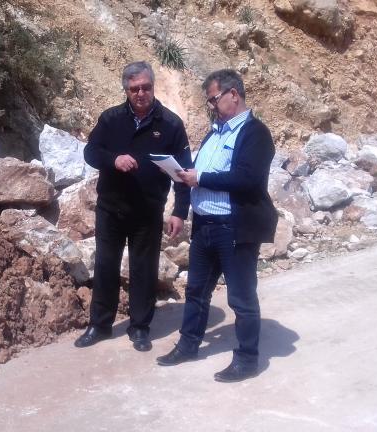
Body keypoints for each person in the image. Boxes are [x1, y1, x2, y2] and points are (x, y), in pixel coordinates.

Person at [155, 69, 278, 382]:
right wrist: (184, 180)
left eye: (213, 99)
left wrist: (201, 178)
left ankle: (248, 359)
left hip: (234, 228)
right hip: (205, 226)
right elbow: (199, 173)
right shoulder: (215, 134)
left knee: (241, 297)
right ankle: (188, 345)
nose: (211, 105)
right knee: (196, 290)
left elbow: (248, 178)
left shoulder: (256, 133)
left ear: (233, 94)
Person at [75, 61, 192, 352]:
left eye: (146, 87)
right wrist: (113, 159)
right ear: (126, 90)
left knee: (144, 269)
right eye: (134, 89)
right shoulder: (111, 119)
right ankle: (100, 325)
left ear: (153, 87)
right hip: (111, 209)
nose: (141, 93)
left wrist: (179, 211)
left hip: (147, 211)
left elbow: (183, 172)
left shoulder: (171, 124)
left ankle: (140, 327)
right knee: (105, 265)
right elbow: (91, 151)